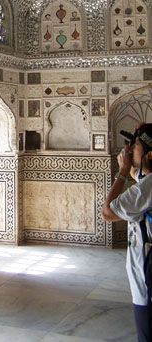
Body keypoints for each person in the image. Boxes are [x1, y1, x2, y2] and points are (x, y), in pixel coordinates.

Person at [102, 123, 152, 342]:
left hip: (147, 286)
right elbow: (139, 178)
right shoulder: (146, 183)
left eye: (136, 145)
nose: (131, 149)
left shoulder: (149, 186)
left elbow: (108, 212)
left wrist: (122, 171)